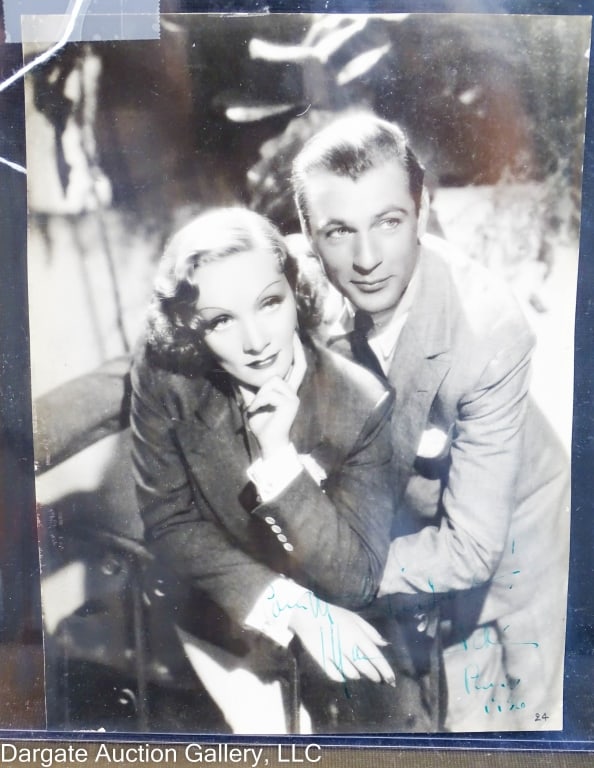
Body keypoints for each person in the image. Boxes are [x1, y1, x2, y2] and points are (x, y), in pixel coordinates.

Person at [292, 113, 570, 731]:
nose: (366, 259)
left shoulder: (488, 330)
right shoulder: (301, 287)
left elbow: (472, 548)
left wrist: (328, 566)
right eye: (339, 231)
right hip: (420, 535)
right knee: (458, 723)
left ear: (422, 209)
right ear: (309, 236)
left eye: (388, 222)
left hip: (517, 534)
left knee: (532, 720)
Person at [130, 207, 439, 733]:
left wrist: (279, 461)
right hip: (219, 615)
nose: (255, 341)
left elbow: (354, 578)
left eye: (269, 303)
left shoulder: (361, 403)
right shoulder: (165, 377)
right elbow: (169, 523)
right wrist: (292, 607)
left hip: (343, 612)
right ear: (191, 328)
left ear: (295, 294)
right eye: (220, 320)